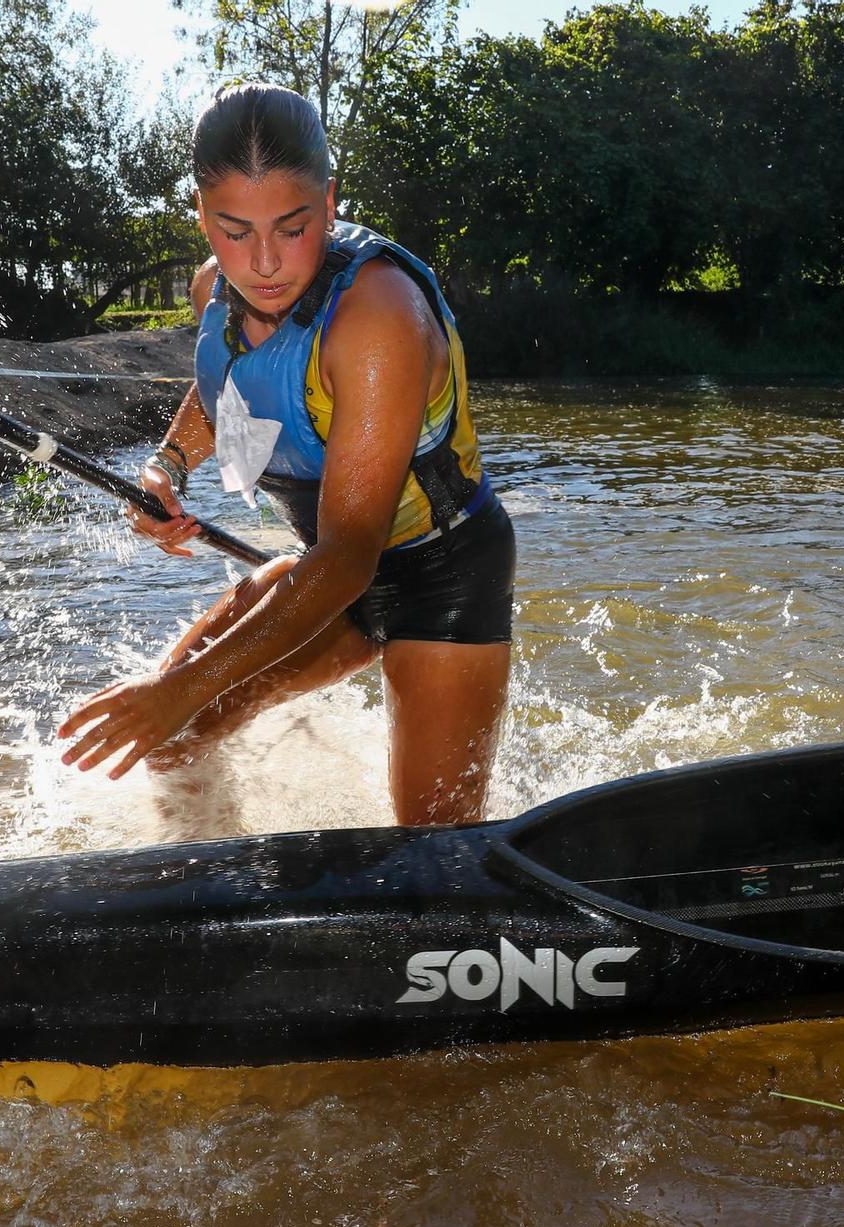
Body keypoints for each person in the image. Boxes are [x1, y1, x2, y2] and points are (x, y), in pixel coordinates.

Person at [57, 84, 516, 826]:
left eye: (292, 227)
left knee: (433, 853)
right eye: (235, 230)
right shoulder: (216, 288)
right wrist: (167, 468)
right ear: (203, 217)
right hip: (325, 571)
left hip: (439, 579)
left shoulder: (378, 321)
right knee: (173, 745)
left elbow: (348, 558)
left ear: (329, 204)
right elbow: (225, 389)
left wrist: (179, 690)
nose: (264, 262)